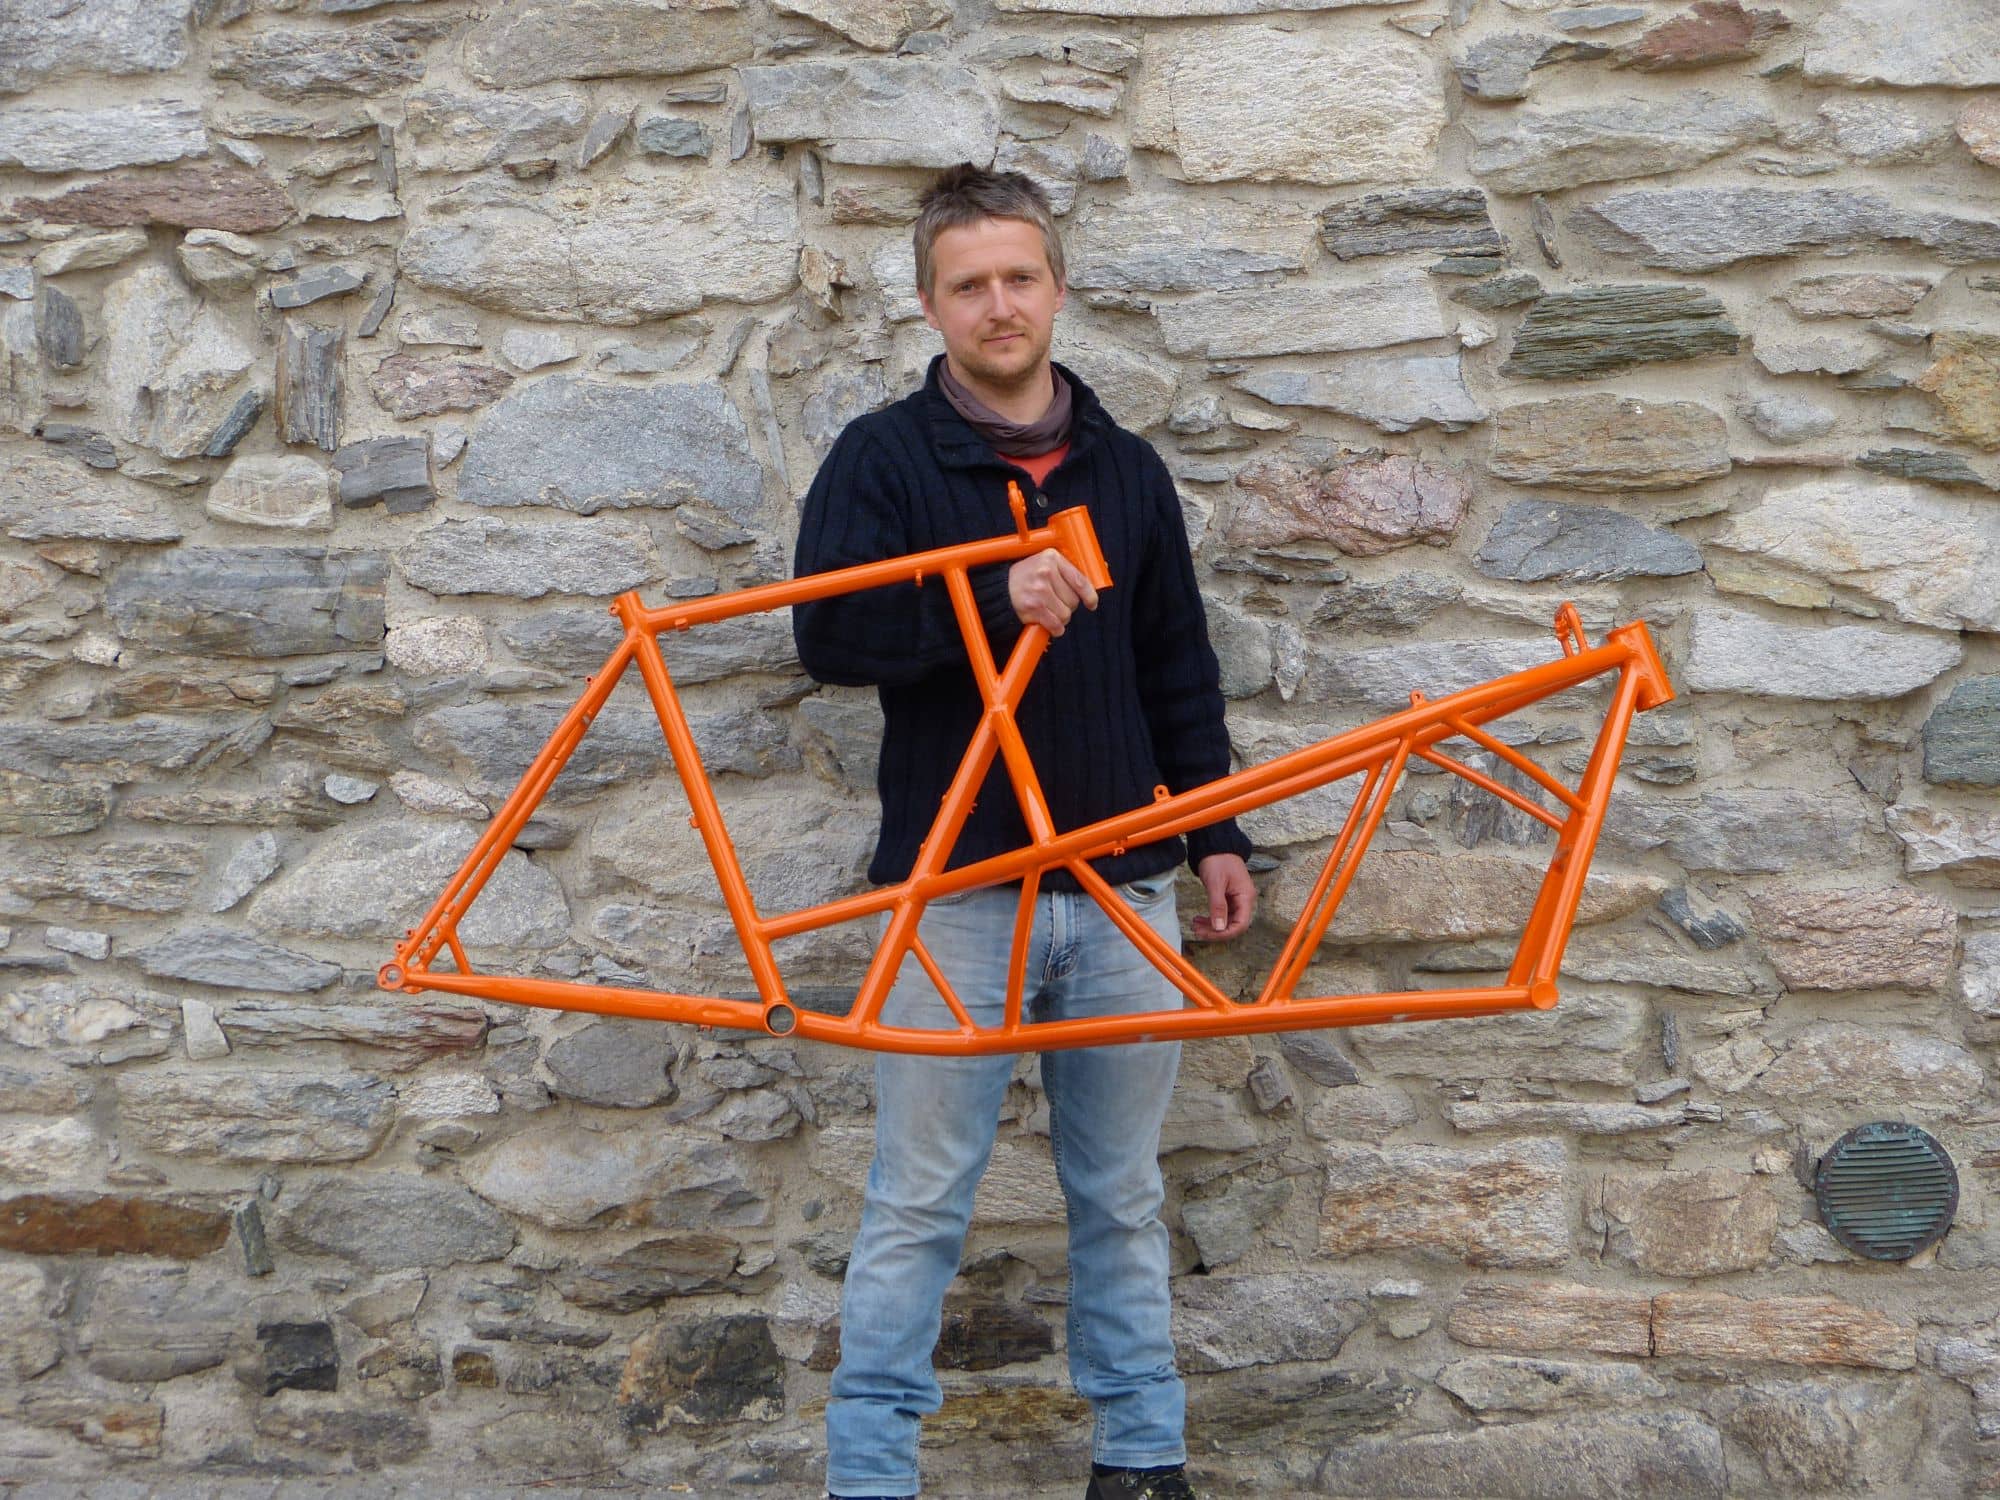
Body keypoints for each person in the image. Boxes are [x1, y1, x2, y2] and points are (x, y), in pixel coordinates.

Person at [791, 163, 1255, 1500]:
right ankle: (870, 1475)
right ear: (931, 302)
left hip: (1122, 886)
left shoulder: (1124, 467)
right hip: (961, 890)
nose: (999, 306)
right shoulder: (881, 458)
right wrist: (985, 596)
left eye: (1020, 277)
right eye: (969, 284)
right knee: (920, 1203)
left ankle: (1143, 1459)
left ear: (1057, 287)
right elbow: (829, 636)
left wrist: (1216, 830)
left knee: (1121, 1196)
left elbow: (1177, 659)